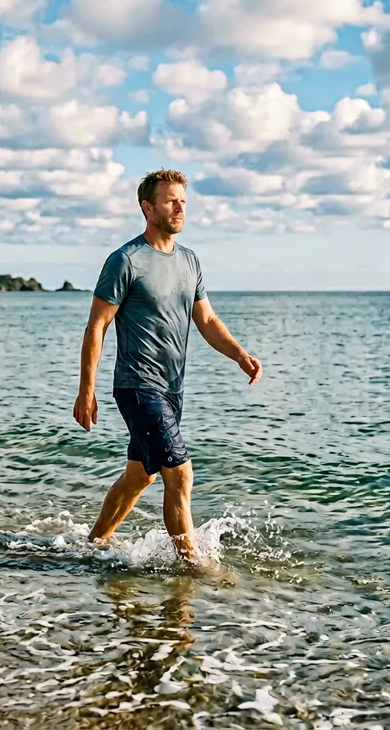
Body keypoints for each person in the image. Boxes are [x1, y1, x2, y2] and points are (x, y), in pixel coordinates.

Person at [73, 168, 263, 560]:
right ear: (147, 207)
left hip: (172, 388)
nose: (179, 208)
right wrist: (85, 390)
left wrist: (240, 354)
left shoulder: (190, 261)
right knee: (180, 474)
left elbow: (206, 321)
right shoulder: (125, 260)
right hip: (137, 387)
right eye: (170, 201)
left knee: (138, 477)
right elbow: (97, 325)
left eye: (183, 201)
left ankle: (93, 546)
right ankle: (192, 567)